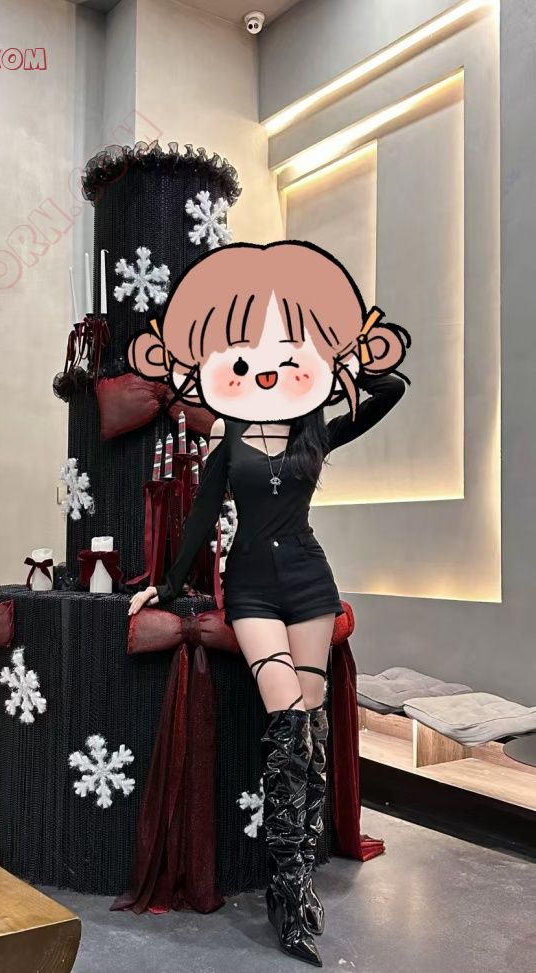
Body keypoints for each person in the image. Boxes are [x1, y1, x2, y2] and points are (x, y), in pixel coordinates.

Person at [127, 241, 410, 966]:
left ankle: (300, 885)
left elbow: (394, 391)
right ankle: (288, 893)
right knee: (286, 721)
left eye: (286, 355)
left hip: (311, 582)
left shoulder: (318, 428)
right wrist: (167, 582)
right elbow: (200, 520)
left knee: (310, 731)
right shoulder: (229, 441)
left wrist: (353, 362)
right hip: (250, 585)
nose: (270, 368)